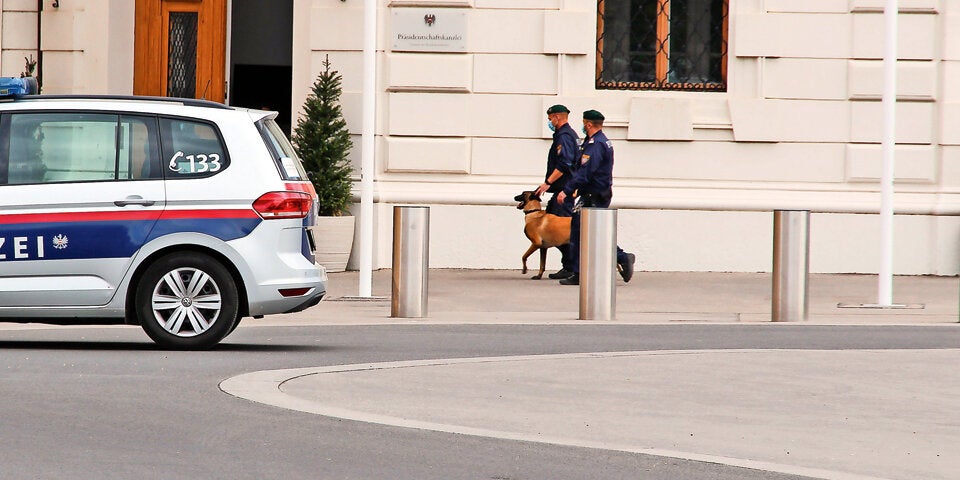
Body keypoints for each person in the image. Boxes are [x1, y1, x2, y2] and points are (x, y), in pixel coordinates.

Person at [555, 109, 635, 286]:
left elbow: (586, 172)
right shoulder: (598, 142)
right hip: (595, 192)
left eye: (584, 124)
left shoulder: (596, 144)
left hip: (594, 194)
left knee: (579, 231)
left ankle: (580, 272)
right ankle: (621, 257)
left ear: (589, 124)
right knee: (594, 231)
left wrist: (567, 190)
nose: (583, 127)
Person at [534, 104, 579, 280]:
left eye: (550, 118)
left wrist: (547, 183)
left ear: (557, 117)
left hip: (564, 191)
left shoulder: (565, 136)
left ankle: (573, 267)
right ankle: (568, 266)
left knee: (564, 230)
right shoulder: (567, 135)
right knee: (555, 230)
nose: (549, 122)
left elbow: (565, 164)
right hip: (562, 190)